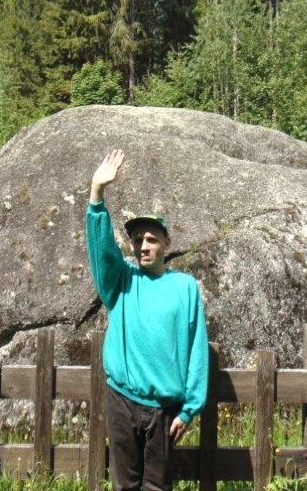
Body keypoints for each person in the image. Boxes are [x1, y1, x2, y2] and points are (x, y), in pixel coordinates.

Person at [86, 149, 209, 491]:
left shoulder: (184, 287)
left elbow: (197, 351)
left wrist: (189, 410)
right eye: (138, 240)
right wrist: (97, 194)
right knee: (125, 485)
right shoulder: (122, 280)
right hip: (121, 400)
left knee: (158, 487)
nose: (143, 246)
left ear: (167, 243)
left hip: (165, 410)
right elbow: (102, 251)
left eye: (152, 239)